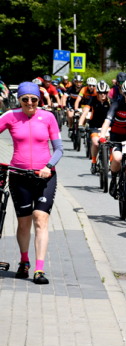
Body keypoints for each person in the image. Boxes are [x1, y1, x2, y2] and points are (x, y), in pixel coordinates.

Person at [0, 82, 64, 284]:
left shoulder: (48, 117)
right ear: (19, 99)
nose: (30, 102)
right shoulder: (10, 116)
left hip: (45, 177)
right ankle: (24, 261)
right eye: (25, 99)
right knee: (23, 222)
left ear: (39, 100)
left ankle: (39, 269)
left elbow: (59, 149)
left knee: (40, 219)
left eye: (34, 99)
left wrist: (48, 166)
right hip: (18, 176)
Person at [78, 80, 112, 174]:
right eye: (100, 93)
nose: (103, 95)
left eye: (105, 93)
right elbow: (85, 112)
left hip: (108, 127)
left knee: (111, 142)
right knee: (96, 143)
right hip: (95, 125)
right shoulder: (92, 99)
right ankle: (93, 162)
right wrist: (80, 124)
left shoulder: (110, 101)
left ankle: (111, 161)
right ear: (97, 93)